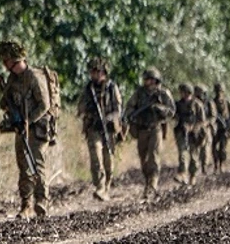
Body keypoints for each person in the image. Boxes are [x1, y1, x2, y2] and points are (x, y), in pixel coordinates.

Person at [0, 41, 52, 218]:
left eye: (6, 60)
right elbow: (4, 103)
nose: (4, 64)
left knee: (36, 163)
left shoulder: (34, 77)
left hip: (38, 128)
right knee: (23, 165)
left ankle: (42, 201)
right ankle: (26, 204)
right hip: (21, 127)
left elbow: (45, 104)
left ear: (14, 60)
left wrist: (29, 120)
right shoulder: (13, 79)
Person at [123, 68, 176, 198]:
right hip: (142, 129)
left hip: (156, 128)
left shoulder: (163, 93)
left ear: (156, 80)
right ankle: (148, 182)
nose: (148, 82)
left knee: (154, 157)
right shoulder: (139, 93)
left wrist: (159, 109)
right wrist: (131, 115)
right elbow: (129, 107)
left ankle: (152, 186)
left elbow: (172, 111)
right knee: (143, 160)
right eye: (146, 79)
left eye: (151, 79)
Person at [76, 57, 122, 200]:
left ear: (104, 72)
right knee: (96, 158)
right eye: (92, 71)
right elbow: (80, 108)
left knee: (108, 159)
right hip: (93, 127)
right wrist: (88, 110)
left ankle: (106, 186)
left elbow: (119, 109)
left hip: (108, 128)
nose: (94, 74)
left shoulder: (111, 88)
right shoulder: (88, 89)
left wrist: (110, 118)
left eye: (97, 71)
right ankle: (100, 186)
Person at [173, 83, 206, 185]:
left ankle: (192, 176)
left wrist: (193, 128)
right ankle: (182, 173)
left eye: (185, 92)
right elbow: (173, 116)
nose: (183, 94)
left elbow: (202, 121)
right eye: (182, 92)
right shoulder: (178, 105)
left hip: (194, 134)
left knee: (194, 157)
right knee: (182, 153)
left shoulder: (197, 105)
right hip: (182, 132)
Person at [212, 83, 230, 172]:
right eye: (217, 91)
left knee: (223, 148)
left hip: (224, 128)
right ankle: (216, 164)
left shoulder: (227, 102)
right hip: (215, 127)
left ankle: (221, 164)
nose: (219, 93)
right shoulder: (212, 102)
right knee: (213, 147)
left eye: (220, 91)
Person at [193, 85, 215, 175]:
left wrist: (207, 122)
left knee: (206, 149)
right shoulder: (194, 103)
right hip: (196, 128)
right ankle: (195, 167)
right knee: (195, 148)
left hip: (206, 128)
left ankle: (204, 166)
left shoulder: (209, 103)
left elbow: (213, 116)